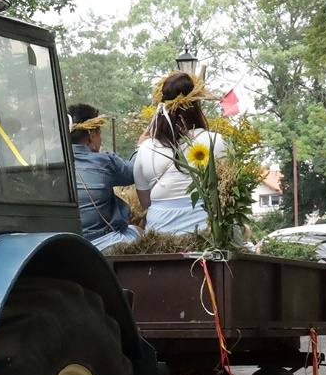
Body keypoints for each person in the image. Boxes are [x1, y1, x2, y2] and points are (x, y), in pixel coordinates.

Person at [132, 71, 224, 234]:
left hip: (159, 237)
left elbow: (146, 204)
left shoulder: (145, 149)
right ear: (195, 105)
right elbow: (226, 193)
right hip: (207, 235)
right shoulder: (215, 141)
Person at [67, 104, 138, 248]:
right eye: (100, 134)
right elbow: (133, 173)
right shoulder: (105, 162)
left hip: (65, 244)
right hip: (103, 244)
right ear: (91, 136)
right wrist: (141, 147)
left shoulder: (53, 166)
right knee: (138, 231)